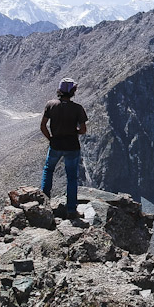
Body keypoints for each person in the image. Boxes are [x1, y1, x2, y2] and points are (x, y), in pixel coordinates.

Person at [40, 77, 88, 217]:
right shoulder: (77, 108)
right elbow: (83, 129)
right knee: (72, 177)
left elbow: (43, 126)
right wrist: (75, 132)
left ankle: (44, 203)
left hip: (56, 144)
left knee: (48, 170)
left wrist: (51, 138)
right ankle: (71, 210)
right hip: (72, 146)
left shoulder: (51, 105)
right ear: (71, 91)